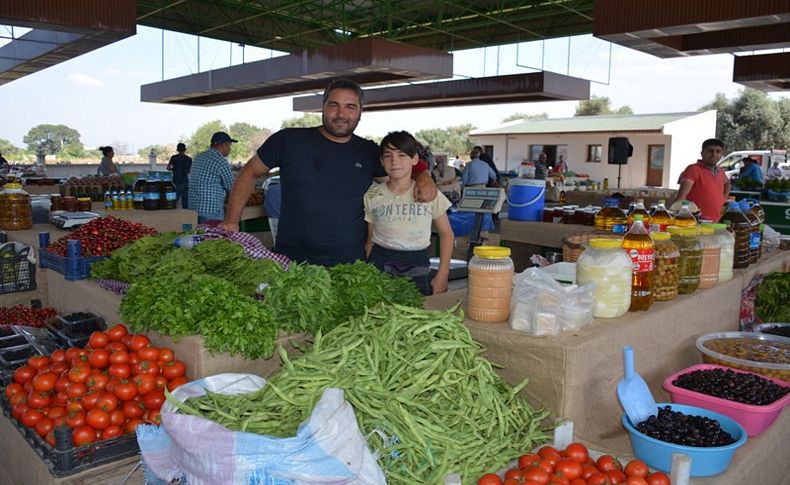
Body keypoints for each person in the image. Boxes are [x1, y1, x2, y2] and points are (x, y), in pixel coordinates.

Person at [219, 78, 437, 266]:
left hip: (350, 265)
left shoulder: (369, 151)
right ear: (323, 107)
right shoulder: (289, 140)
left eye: (350, 107)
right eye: (334, 105)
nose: (341, 114)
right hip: (292, 261)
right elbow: (248, 173)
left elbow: (400, 175)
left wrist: (424, 176)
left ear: (360, 112)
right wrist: (232, 219)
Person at [364, 131, 453, 295]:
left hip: (417, 263)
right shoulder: (372, 195)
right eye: (388, 156)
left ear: (415, 159)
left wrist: (442, 274)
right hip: (380, 262)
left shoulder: (429, 193)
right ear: (381, 161)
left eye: (402, 155)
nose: (394, 161)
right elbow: (371, 237)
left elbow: (447, 234)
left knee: (415, 314)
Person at [672, 138, 730, 222]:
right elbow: (681, 197)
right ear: (702, 153)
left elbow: (727, 183)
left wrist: (723, 199)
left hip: (715, 222)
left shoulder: (720, 171)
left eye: (718, 151)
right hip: (695, 223)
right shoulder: (693, 169)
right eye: (710, 151)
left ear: (721, 154)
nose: (714, 154)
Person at [189, 132, 236, 225]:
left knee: (200, 237)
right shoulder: (221, 161)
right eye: (230, 146)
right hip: (211, 211)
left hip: (193, 209)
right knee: (214, 237)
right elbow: (233, 188)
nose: (230, 149)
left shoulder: (199, 157)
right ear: (223, 145)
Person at [167, 142, 192, 208]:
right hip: (185, 182)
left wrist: (173, 169)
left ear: (177, 149)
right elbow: (189, 171)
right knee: (186, 202)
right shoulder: (189, 159)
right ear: (185, 150)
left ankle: (173, 215)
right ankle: (186, 216)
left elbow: (168, 167)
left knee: (174, 201)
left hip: (176, 181)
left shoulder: (173, 158)